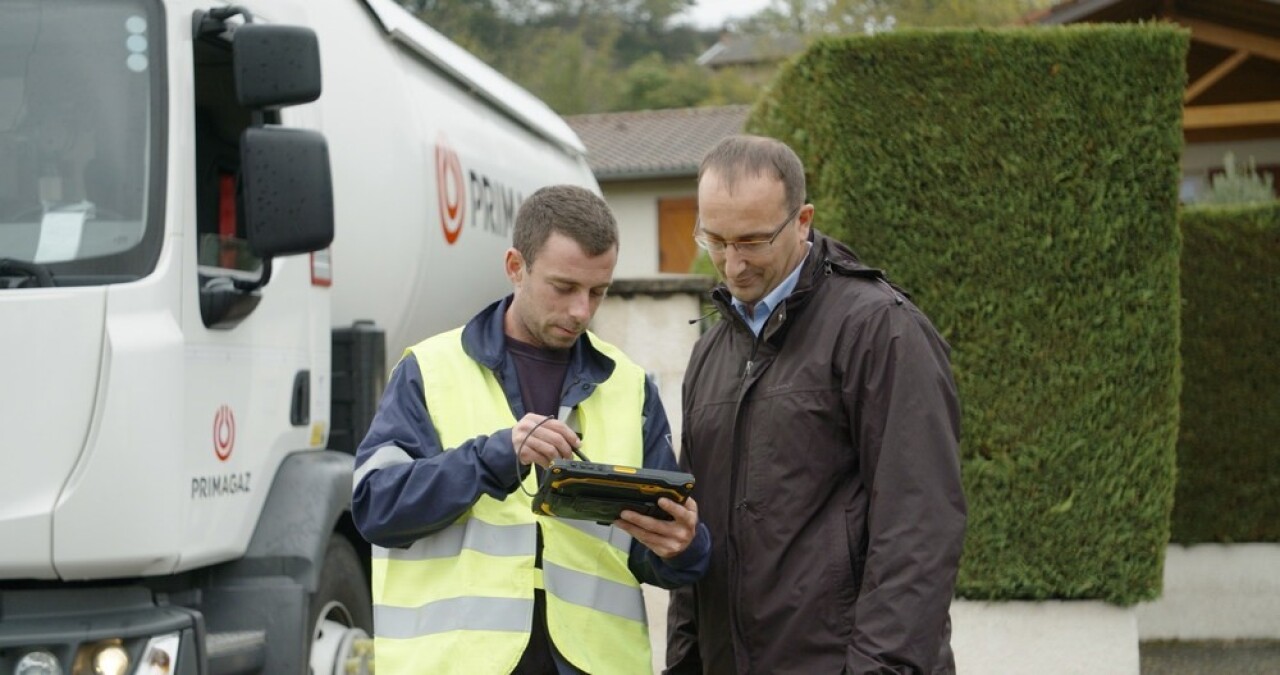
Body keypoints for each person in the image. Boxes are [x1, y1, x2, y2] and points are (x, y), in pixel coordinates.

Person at [353, 184, 711, 675]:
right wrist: (494, 455)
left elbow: (651, 553)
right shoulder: (428, 370)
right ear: (515, 267)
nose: (582, 310)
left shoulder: (631, 387)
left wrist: (685, 547)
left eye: (598, 292)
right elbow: (376, 506)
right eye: (564, 287)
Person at [666, 135, 966, 674]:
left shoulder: (880, 330)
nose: (733, 266)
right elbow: (697, 538)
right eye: (716, 240)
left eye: (753, 241)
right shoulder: (710, 351)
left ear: (802, 220)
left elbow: (918, 529)